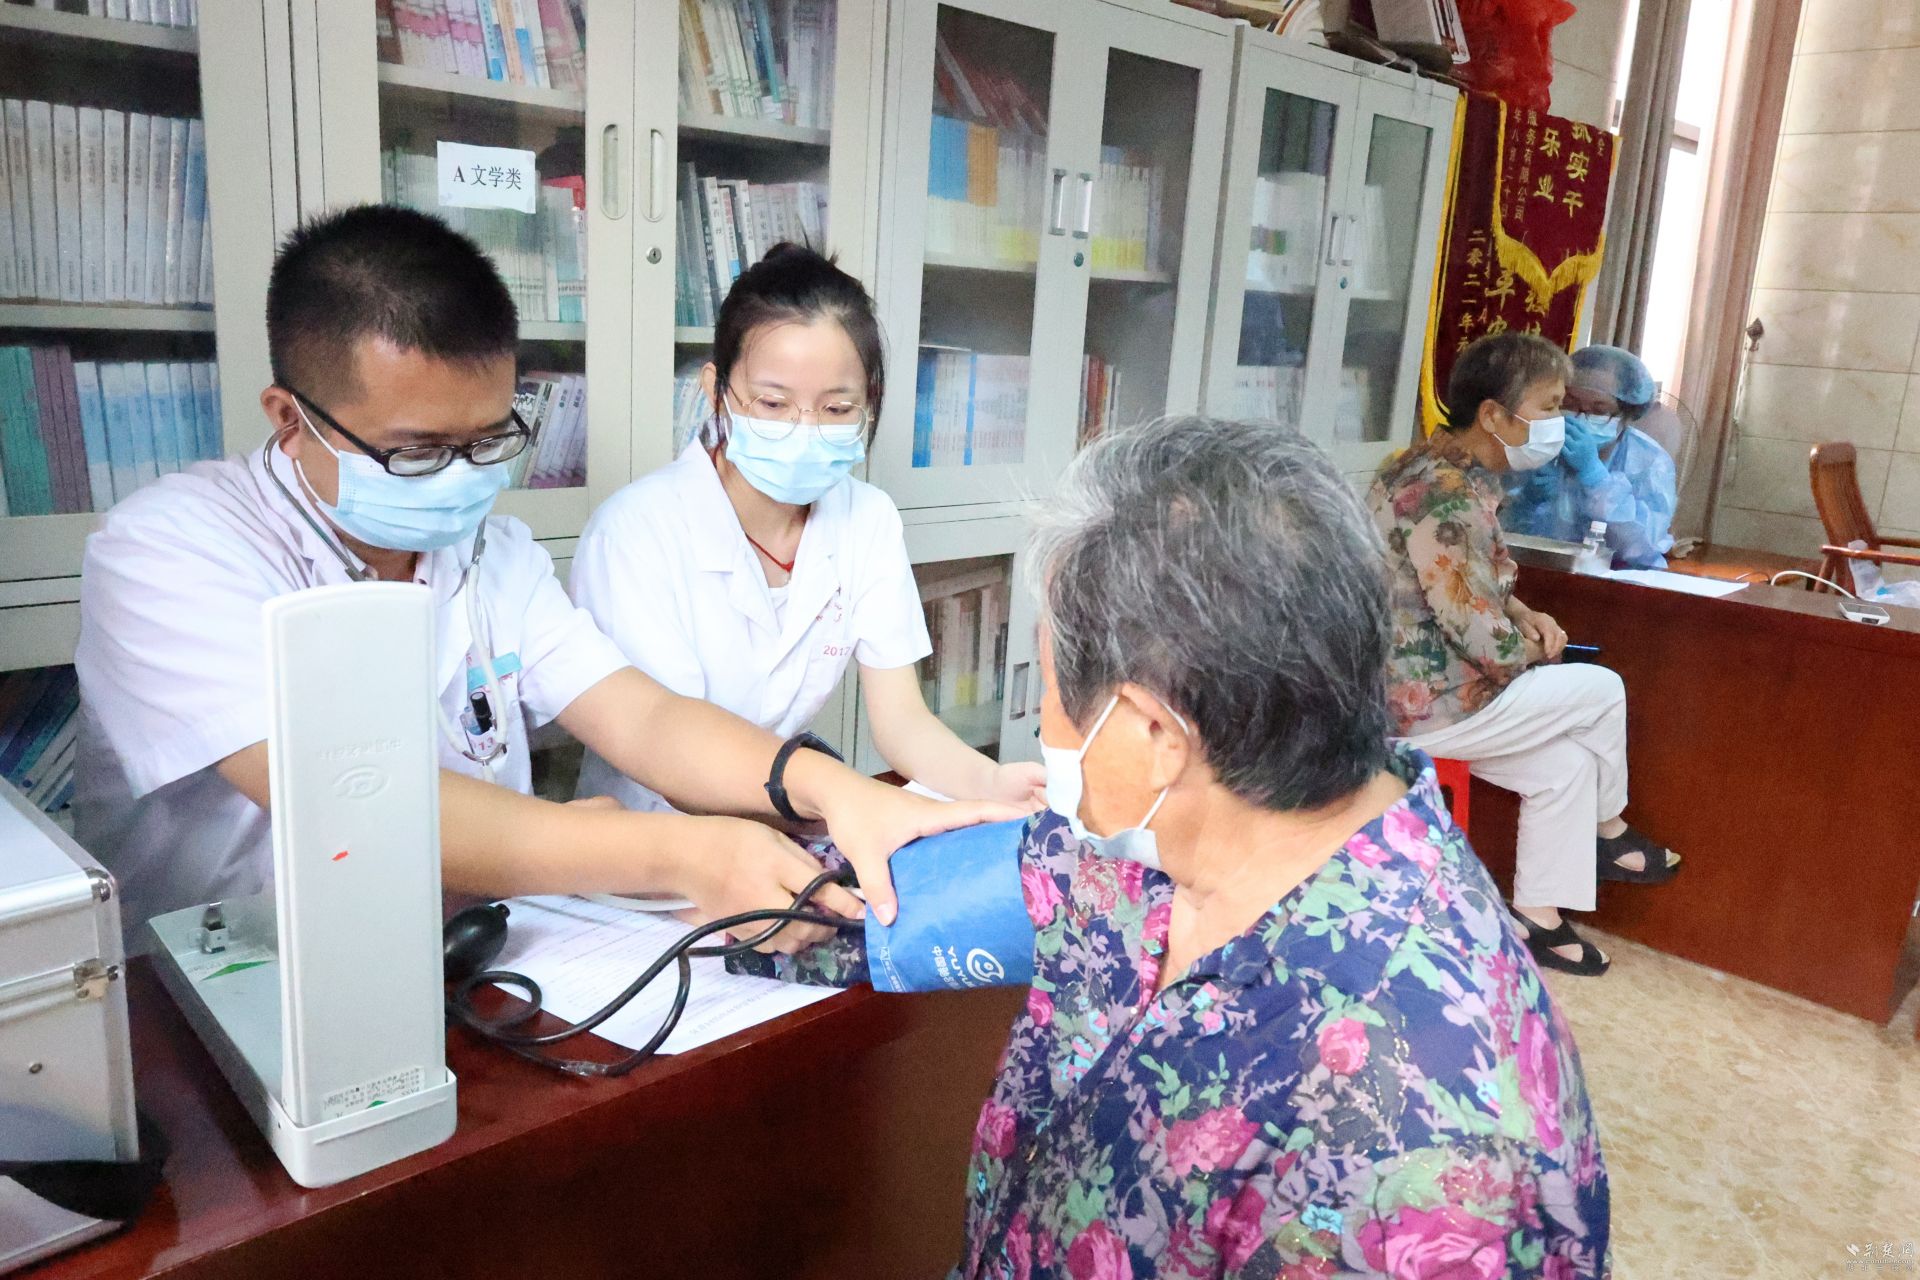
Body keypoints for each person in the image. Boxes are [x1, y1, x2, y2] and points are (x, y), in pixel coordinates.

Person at [743, 417, 1612, 1277]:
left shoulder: (1431, 1160)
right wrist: (715, 864)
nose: (1043, 725)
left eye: (1051, 691)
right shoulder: (1145, 849)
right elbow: (851, 906)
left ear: (1153, 733)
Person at [74, 205, 1009, 947]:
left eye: (489, 440)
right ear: (291, 418)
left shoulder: (496, 555)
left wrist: (828, 788)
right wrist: (680, 849)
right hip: (234, 973)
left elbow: (642, 716)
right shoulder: (169, 553)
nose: (463, 477)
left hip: (469, 952)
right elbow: (356, 799)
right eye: (419, 450)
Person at [569, 244, 1044, 813]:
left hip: (790, 811)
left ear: (869, 402)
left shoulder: (867, 519)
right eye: (773, 403)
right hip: (656, 832)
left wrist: (992, 784)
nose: (805, 429)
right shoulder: (635, 533)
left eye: (837, 409)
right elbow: (671, 757)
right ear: (716, 391)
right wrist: (845, 807)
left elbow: (902, 722)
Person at [1369, 331, 1680, 977]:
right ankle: (1610, 832)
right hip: (1417, 704)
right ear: (1494, 415)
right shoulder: (1444, 494)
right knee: (1602, 688)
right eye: (1551, 406)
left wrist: (1524, 612)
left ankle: (1538, 919)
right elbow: (1480, 636)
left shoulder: (1435, 468)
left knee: (1565, 767)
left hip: (1424, 689)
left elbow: (1473, 580)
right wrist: (1535, 652)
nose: (1561, 423)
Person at [1501, 343, 1678, 569]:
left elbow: (1643, 547)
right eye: (1570, 404)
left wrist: (1595, 476)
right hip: (1541, 571)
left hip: (1618, 579)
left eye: (1599, 410)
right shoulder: (1535, 443)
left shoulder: (1649, 460)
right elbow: (1501, 534)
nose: (1580, 418)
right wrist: (1527, 501)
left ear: (1627, 414)